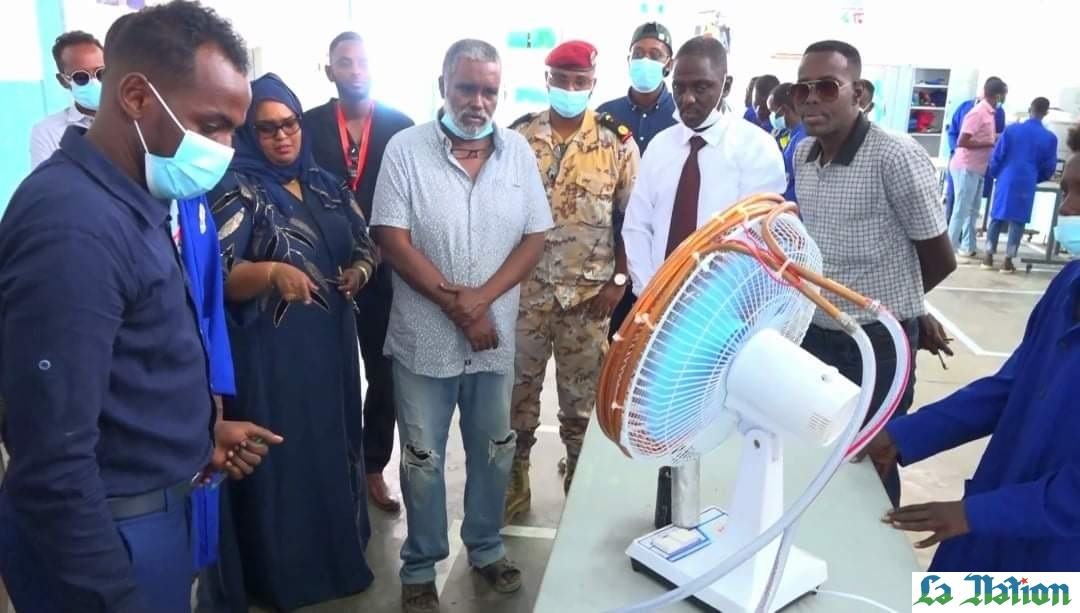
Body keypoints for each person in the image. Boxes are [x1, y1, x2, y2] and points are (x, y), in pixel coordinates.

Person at [0, 3, 281, 612]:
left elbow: (130, 365)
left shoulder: (130, 199)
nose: (226, 149)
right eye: (212, 125)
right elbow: (53, 460)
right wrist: (116, 597)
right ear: (135, 95)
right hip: (106, 539)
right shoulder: (74, 228)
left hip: (152, 510)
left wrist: (193, 435)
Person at [371, 39, 553, 613]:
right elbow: (391, 238)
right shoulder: (405, 149)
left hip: (493, 340)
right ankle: (420, 564)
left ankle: (486, 546)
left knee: (495, 449)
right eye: (467, 87)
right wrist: (460, 306)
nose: (478, 101)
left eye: (489, 90)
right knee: (422, 459)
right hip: (424, 342)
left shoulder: (517, 151)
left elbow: (536, 235)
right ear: (443, 84)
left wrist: (482, 303)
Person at [867, 124, 1080, 571]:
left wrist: (972, 514)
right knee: (947, 601)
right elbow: (1010, 387)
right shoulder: (1069, 284)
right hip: (989, 529)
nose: (1068, 209)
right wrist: (903, 435)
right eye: (1065, 191)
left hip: (1056, 557)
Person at [206, 72, 378, 612]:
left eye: (290, 125)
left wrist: (359, 273)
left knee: (334, 445)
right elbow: (221, 276)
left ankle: (339, 559)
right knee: (284, 457)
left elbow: (367, 243)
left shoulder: (327, 183)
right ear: (249, 133)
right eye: (267, 129)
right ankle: (284, 576)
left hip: (330, 347)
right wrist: (273, 271)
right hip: (270, 354)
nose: (282, 137)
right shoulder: (236, 188)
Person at [791, 40, 957, 508]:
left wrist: (903, 309)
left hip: (878, 346)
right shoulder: (804, 155)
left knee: (870, 461)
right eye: (802, 89)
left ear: (858, 93)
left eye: (826, 87)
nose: (812, 99)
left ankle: (878, 565)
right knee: (816, 450)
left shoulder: (894, 157)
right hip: (817, 335)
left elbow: (939, 258)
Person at [505, 40, 639, 523]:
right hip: (527, 293)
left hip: (590, 298)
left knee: (582, 404)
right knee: (517, 396)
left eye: (579, 82)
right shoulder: (517, 138)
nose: (569, 89)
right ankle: (514, 478)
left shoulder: (616, 142)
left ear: (592, 85)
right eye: (561, 80)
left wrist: (620, 280)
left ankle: (580, 483)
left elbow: (633, 218)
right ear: (547, 80)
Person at [304, 31, 415, 514]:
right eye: (344, 62)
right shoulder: (306, 126)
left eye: (362, 61)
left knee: (384, 372)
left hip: (385, 269)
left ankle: (373, 465)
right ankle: (330, 464)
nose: (354, 70)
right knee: (325, 371)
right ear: (328, 69)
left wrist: (392, 251)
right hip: (321, 270)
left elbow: (414, 198)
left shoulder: (400, 126)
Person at [623, 36, 785, 292]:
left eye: (701, 88)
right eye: (679, 87)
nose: (687, 99)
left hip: (722, 310)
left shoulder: (756, 148)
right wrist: (650, 293)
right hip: (653, 301)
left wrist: (704, 305)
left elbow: (755, 239)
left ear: (726, 86)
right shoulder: (660, 146)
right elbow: (637, 226)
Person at [596, 22, 677, 341]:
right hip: (609, 253)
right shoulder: (605, 115)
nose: (646, 61)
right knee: (612, 348)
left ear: (668, 64)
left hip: (663, 255)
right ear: (628, 60)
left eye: (655, 55)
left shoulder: (682, 116)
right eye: (639, 54)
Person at [983, 97, 1059, 273]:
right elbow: (1049, 167)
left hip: (1006, 176)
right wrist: (1035, 177)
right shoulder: (1049, 138)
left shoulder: (1011, 130)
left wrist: (996, 174)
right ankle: (1008, 260)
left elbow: (997, 155)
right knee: (1018, 219)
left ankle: (988, 256)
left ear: (1029, 109)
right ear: (1046, 113)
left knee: (997, 216)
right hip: (1027, 180)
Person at [949, 78, 1007, 258]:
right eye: (1004, 95)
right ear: (997, 95)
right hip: (966, 166)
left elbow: (984, 136)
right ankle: (949, 250)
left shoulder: (991, 114)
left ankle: (968, 246)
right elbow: (962, 140)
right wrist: (989, 142)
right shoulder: (978, 113)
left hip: (978, 168)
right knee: (960, 209)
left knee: (973, 211)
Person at [29, 31, 103, 168]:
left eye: (101, 73)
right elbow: (47, 185)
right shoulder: (48, 132)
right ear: (63, 81)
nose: (95, 82)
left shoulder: (135, 119)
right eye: (81, 77)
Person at [768, 82, 806, 203]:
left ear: (784, 109)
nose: (772, 117)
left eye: (772, 112)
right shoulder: (793, 135)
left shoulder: (803, 141)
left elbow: (800, 186)